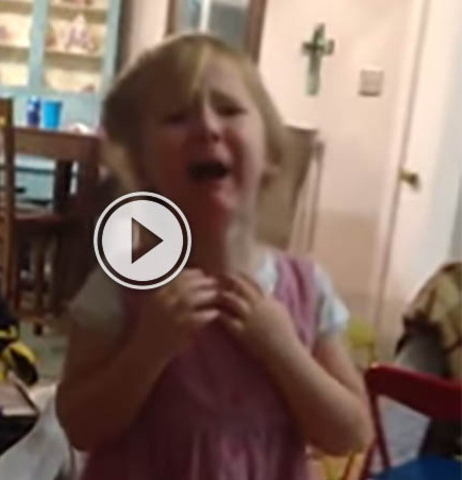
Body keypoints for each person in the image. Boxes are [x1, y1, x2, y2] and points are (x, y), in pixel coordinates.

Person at [56, 33, 372, 479]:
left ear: (271, 155)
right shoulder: (121, 286)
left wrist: (284, 350)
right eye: (177, 117)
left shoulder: (306, 290)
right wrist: (148, 350)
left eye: (229, 109)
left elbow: (351, 432)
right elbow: (80, 426)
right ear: (144, 166)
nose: (206, 125)